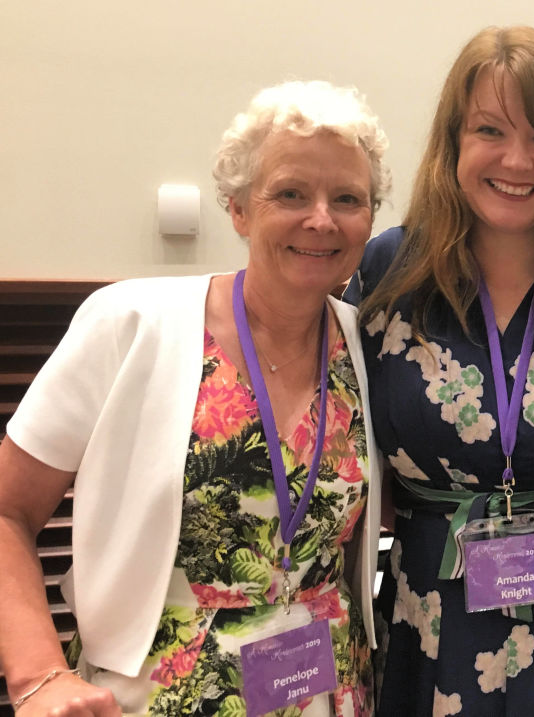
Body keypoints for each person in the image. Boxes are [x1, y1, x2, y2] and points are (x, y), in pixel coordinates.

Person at [0, 80, 389, 716]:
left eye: (347, 198)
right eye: (290, 193)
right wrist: (39, 677)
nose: (322, 218)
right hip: (155, 696)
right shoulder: (128, 324)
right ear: (238, 209)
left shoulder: (367, 348)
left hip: (328, 690)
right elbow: (7, 512)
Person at [344, 25, 534, 716]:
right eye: (490, 129)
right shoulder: (387, 272)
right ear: (453, 140)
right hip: (428, 610)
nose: (518, 159)